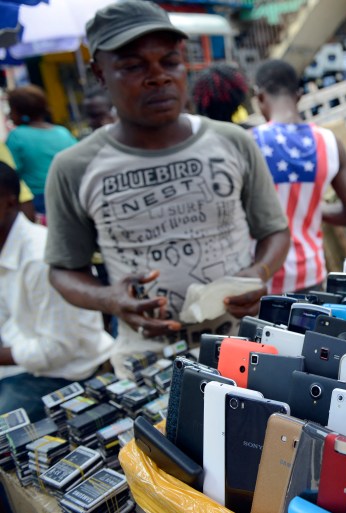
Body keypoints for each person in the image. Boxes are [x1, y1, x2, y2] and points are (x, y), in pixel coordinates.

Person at [44, 1, 291, 376]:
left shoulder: (233, 142)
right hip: (150, 363)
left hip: (243, 349)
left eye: (170, 62)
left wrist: (259, 272)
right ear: (99, 73)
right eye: (132, 66)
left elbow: (274, 230)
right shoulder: (73, 168)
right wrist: (109, 298)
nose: (158, 77)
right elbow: (63, 271)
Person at [0, 163, 113, 421]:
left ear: (8, 202)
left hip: (66, 374)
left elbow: (59, 349)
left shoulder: (40, 257)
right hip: (25, 363)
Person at [252, 59, 346, 294]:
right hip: (310, 275)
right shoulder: (330, 142)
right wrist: (311, 208)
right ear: (299, 95)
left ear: (259, 97)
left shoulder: (250, 143)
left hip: (262, 277)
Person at [6, 85, 78, 215]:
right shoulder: (62, 132)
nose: (10, 115)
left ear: (21, 112)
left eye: (11, 110)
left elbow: (11, 173)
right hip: (71, 194)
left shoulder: (17, 136)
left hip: (40, 201)